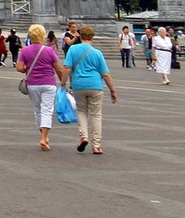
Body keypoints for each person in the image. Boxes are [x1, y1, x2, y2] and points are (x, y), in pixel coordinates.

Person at [59, 25, 118, 154]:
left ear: (80, 36)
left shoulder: (73, 50)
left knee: (81, 112)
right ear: (92, 37)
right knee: (96, 115)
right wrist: (112, 90)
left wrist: (63, 83)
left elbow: (67, 68)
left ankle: (83, 136)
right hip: (95, 85)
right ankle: (96, 145)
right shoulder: (97, 53)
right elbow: (106, 74)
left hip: (78, 85)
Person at [15, 24, 62, 153]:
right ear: (43, 35)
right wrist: (63, 82)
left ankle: (43, 136)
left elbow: (19, 68)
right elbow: (58, 68)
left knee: (37, 110)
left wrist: (28, 69)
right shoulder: (49, 51)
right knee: (47, 110)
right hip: (48, 83)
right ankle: (44, 137)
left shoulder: (25, 50)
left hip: (32, 84)